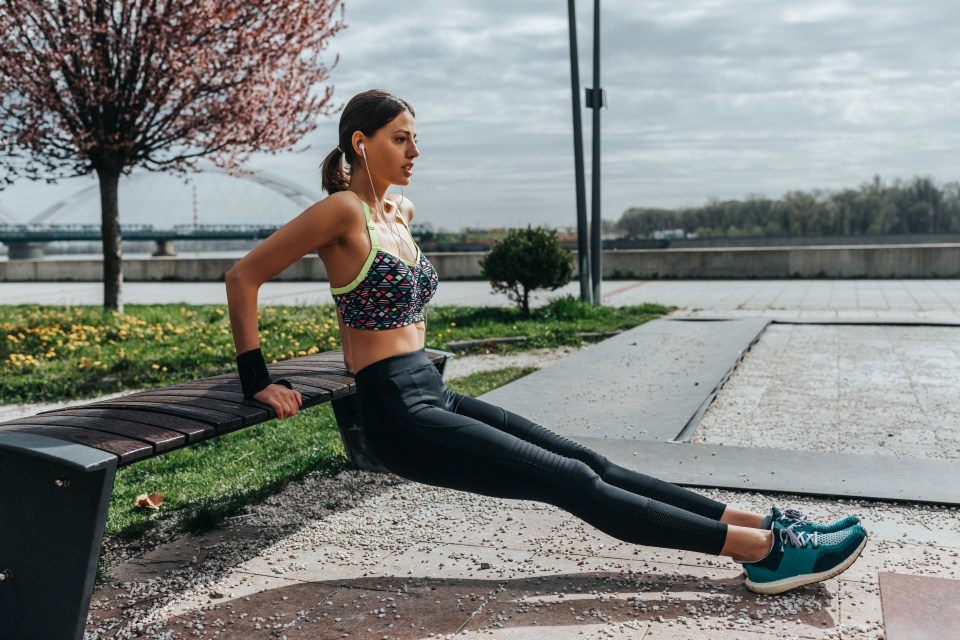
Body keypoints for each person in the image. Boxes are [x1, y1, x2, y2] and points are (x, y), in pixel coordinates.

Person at [225, 89, 867, 595]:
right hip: (396, 412)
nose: (415, 151)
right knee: (570, 482)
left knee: (594, 466)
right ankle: (766, 556)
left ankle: (758, 523)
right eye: (401, 139)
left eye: (417, 138)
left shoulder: (400, 214)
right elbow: (243, 275)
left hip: (431, 391)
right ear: (361, 144)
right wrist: (258, 378)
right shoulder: (341, 212)